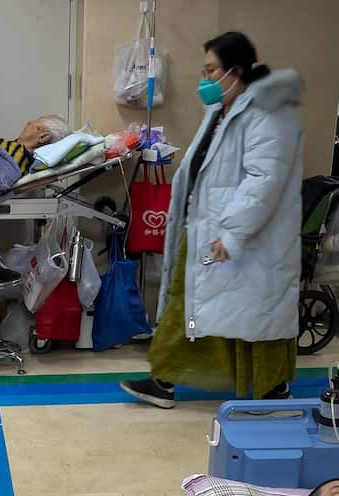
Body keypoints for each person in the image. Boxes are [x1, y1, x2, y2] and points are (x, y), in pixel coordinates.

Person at [120, 32, 303, 409]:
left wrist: (232, 232)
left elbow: (264, 180)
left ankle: (272, 389)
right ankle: (164, 381)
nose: (204, 79)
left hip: (247, 237)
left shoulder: (266, 115)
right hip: (208, 227)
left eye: (211, 70)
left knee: (256, 314)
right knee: (189, 306)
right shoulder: (221, 112)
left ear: (235, 71)